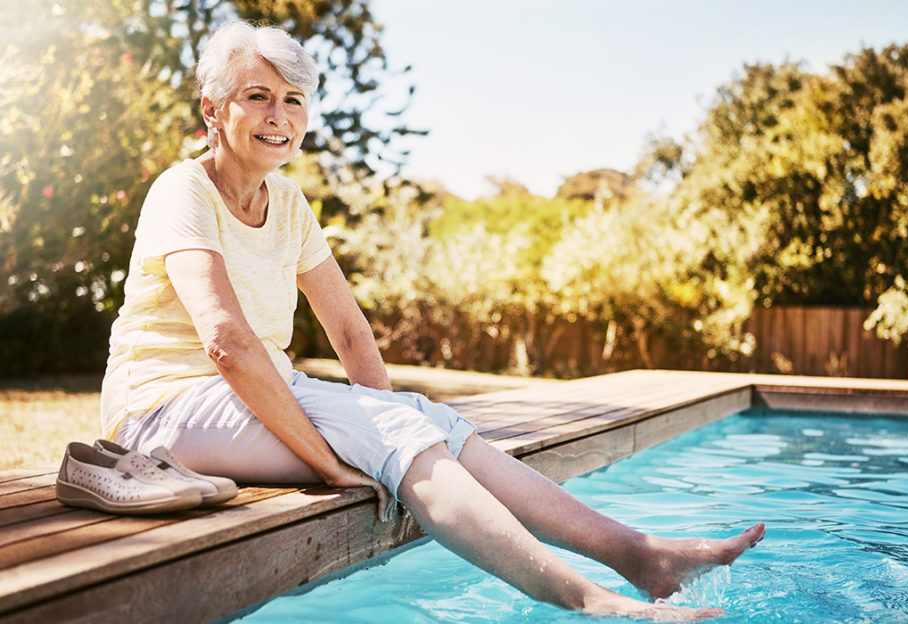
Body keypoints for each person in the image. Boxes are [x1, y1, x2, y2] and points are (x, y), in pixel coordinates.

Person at [99, 20, 764, 621]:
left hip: (251, 398)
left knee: (427, 418)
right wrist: (341, 462)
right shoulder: (182, 190)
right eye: (258, 96)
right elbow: (226, 343)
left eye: (294, 100)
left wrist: (385, 425)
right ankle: (589, 600)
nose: (280, 116)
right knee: (394, 432)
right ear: (213, 109)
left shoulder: (289, 202)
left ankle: (638, 554)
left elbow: (352, 332)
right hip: (161, 412)